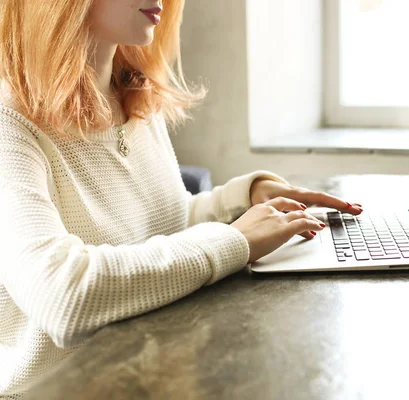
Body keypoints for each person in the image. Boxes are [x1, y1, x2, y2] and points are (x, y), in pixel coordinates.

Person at [0, 0, 362, 397]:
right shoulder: (10, 124)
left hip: (155, 371)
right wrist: (235, 239)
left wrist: (242, 200)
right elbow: (61, 295)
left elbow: (161, 227)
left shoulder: (132, 95)